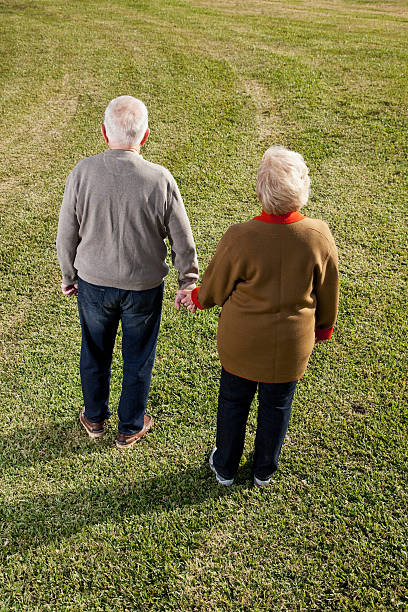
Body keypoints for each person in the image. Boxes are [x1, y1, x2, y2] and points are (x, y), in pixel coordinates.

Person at [182, 146, 339, 486]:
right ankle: (264, 468)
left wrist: (196, 296)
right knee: (278, 405)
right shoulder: (318, 235)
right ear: (302, 189)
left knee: (233, 401)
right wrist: (324, 328)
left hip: (241, 344)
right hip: (291, 346)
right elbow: (328, 290)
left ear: (260, 191)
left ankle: (225, 465)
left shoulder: (240, 236)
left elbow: (214, 288)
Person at [57, 95, 198, 448]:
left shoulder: (82, 172)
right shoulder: (160, 179)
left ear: (104, 132)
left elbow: (66, 232)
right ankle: (130, 426)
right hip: (143, 288)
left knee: (94, 349)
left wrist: (68, 276)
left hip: (93, 284)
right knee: (138, 356)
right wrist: (188, 281)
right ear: (145, 136)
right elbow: (182, 237)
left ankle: (94, 417)